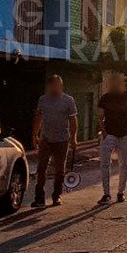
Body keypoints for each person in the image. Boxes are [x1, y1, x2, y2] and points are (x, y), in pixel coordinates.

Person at [31, 75, 78, 207]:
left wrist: (73, 138)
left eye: (59, 85)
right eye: (54, 85)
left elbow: (73, 120)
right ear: (50, 86)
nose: (56, 87)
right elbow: (38, 117)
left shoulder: (68, 100)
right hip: (45, 139)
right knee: (41, 168)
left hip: (62, 139)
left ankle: (56, 196)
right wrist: (35, 134)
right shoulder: (43, 100)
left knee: (59, 169)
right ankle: (39, 197)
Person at [97, 73, 127, 204]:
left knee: (124, 164)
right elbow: (99, 116)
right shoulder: (105, 98)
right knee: (105, 164)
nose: (115, 84)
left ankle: (121, 192)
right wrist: (103, 131)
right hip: (109, 134)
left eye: (117, 82)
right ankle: (106, 194)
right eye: (113, 82)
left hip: (125, 134)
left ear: (122, 83)